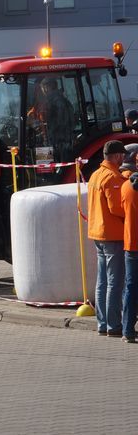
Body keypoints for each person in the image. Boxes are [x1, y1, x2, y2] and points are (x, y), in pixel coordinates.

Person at [88, 140, 128, 337]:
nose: (124, 159)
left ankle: (103, 323)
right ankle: (114, 325)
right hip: (112, 234)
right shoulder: (112, 177)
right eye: (122, 155)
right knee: (115, 282)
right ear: (117, 156)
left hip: (98, 233)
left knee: (102, 281)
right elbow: (117, 209)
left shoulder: (95, 175)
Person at [121, 169, 138, 343]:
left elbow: (121, 209)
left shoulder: (126, 186)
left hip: (131, 243)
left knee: (131, 287)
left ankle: (128, 330)